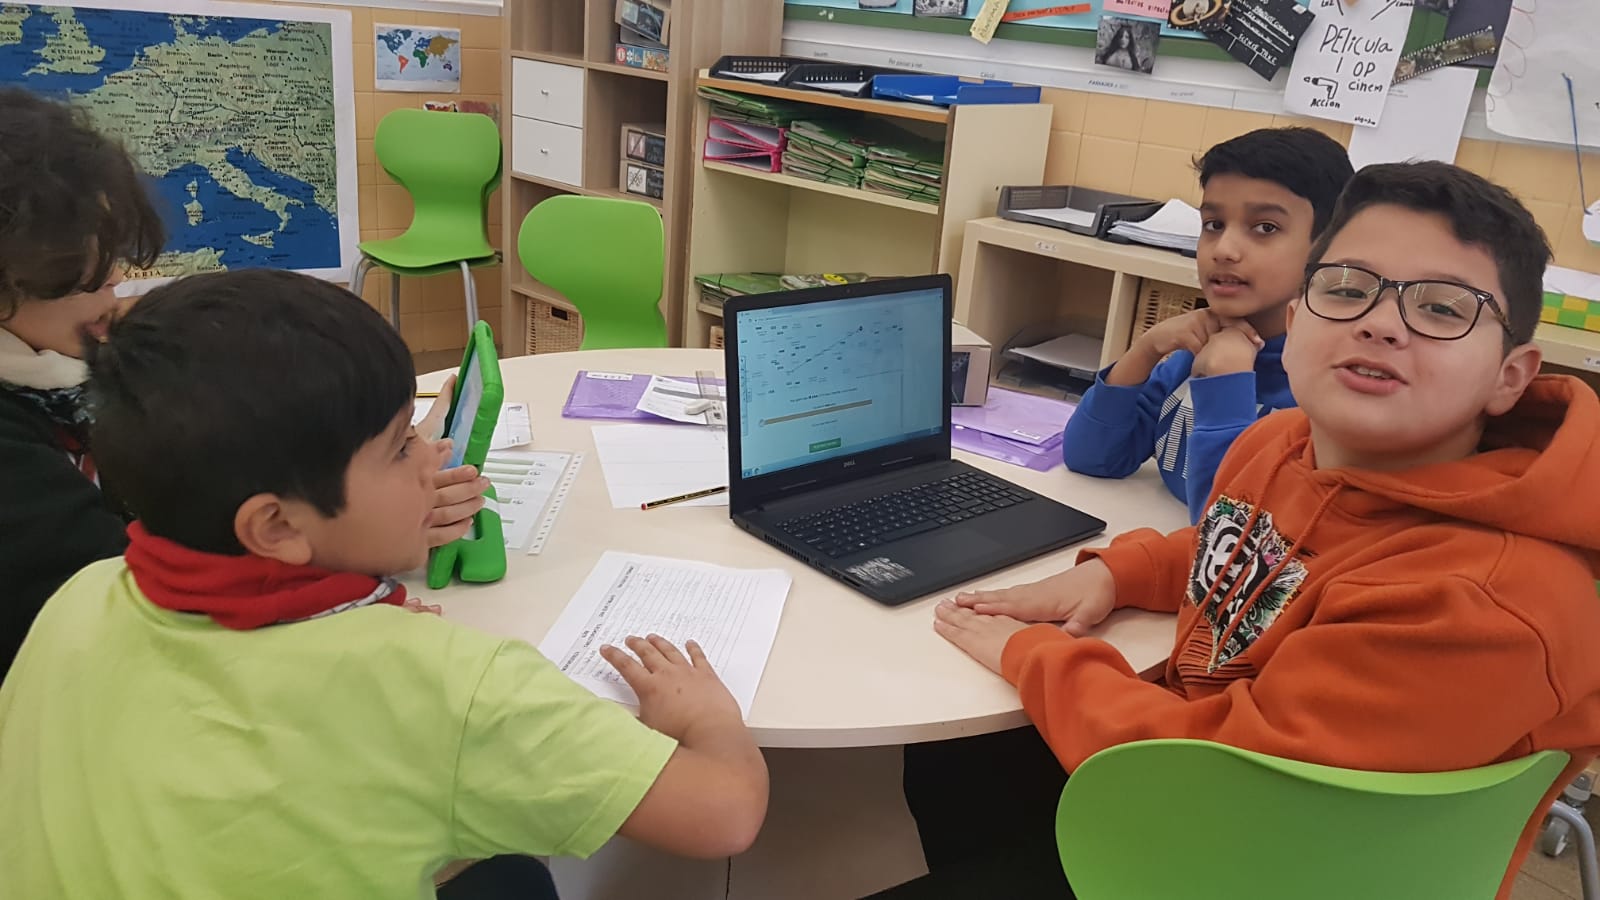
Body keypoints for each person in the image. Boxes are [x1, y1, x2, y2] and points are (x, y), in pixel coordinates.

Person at [905, 162, 1600, 900]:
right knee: (955, 753)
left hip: (1268, 859)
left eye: (1441, 307)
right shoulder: (1281, 443)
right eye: (1347, 289)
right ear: (1295, 324)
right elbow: (1246, 544)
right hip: (1207, 791)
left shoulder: (1482, 604)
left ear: (1510, 376)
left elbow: (1219, 772)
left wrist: (1038, 656)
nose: (1380, 322)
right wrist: (1120, 572)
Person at [0, 269, 770, 897]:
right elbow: (724, 814)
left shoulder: (81, 596)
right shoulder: (447, 684)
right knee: (515, 875)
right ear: (276, 527)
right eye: (402, 446)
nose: (434, 458)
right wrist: (708, 719)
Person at [0, 87, 485, 675]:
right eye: (81, 272)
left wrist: (378, 456)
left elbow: (204, 489)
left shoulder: (56, 375)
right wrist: (349, 562)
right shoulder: (24, 460)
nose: (117, 280)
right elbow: (147, 614)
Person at [1061, 127, 1355, 524]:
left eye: (1265, 228)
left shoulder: (1320, 392)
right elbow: (1091, 457)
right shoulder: (1194, 353)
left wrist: (1227, 384)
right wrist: (1146, 350)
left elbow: (1233, 526)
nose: (1224, 250)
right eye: (1214, 224)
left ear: (1328, 247)